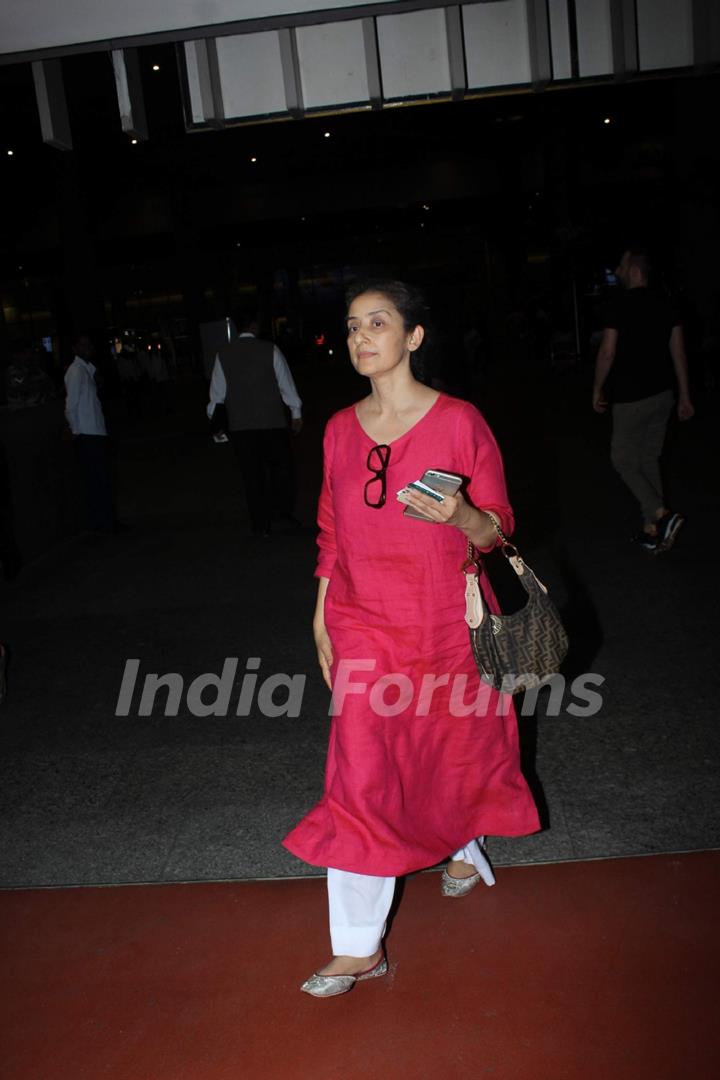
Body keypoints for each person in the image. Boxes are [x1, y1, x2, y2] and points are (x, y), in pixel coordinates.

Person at [282, 280, 540, 998]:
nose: (362, 337)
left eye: (379, 323)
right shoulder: (337, 429)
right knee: (361, 769)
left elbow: (499, 530)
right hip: (364, 621)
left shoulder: (460, 421)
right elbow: (332, 528)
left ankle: (463, 842)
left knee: (448, 747)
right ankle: (359, 947)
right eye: (352, 326)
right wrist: (320, 609)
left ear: (414, 337)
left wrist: (461, 516)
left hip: (446, 624)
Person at [593, 248, 694, 553]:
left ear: (635, 270)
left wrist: (597, 387)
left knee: (623, 459)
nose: (618, 269)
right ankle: (652, 529)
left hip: (630, 398)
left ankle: (662, 515)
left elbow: (607, 351)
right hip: (663, 395)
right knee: (648, 459)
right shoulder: (667, 302)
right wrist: (685, 395)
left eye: (622, 265)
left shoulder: (618, 304)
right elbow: (678, 352)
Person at [207, 311, 303, 536]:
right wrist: (295, 412)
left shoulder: (223, 354)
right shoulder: (270, 350)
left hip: (241, 426)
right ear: (254, 325)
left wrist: (217, 426)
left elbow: (217, 395)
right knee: (281, 470)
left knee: (252, 476)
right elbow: (285, 384)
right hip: (272, 422)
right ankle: (282, 511)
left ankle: (260, 524)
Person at [65, 334, 115, 534]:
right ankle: (100, 523)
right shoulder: (76, 371)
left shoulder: (86, 369)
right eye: (82, 345)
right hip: (87, 433)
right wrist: (76, 431)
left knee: (101, 479)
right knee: (95, 480)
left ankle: (106, 521)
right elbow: (70, 406)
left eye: (89, 344)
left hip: (94, 431)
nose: (88, 348)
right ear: (75, 348)